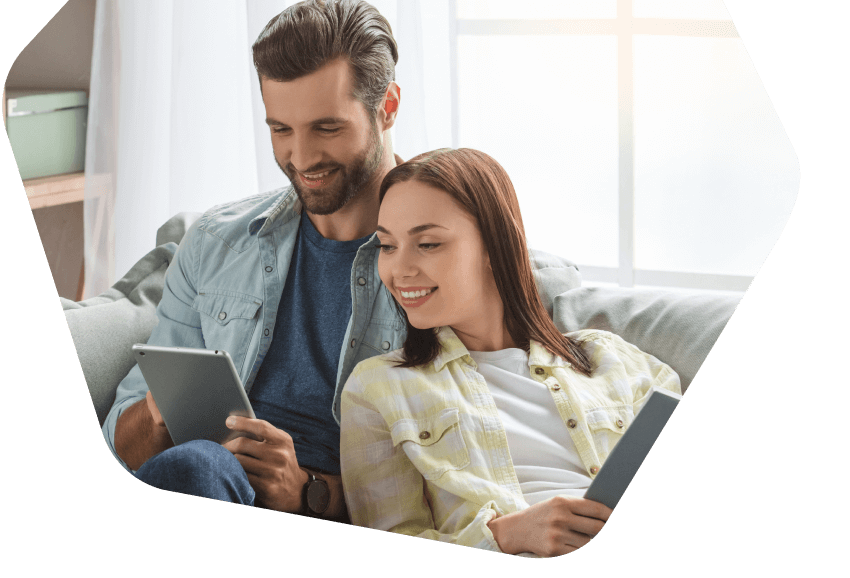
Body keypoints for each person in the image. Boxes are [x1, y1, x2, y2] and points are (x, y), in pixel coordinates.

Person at [101, 1, 580, 522]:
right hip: (199, 479)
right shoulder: (217, 244)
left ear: (388, 106)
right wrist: (163, 411)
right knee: (196, 464)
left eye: (326, 128)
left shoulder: (456, 271)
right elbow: (122, 443)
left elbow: (466, 477)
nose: (301, 158)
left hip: (338, 504)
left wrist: (306, 490)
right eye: (281, 130)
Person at [339, 148, 682, 556]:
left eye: (427, 244)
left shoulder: (613, 361)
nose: (400, 269)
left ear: (494, 244)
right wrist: (506, 536)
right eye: (388, 246)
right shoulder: (377, 389)